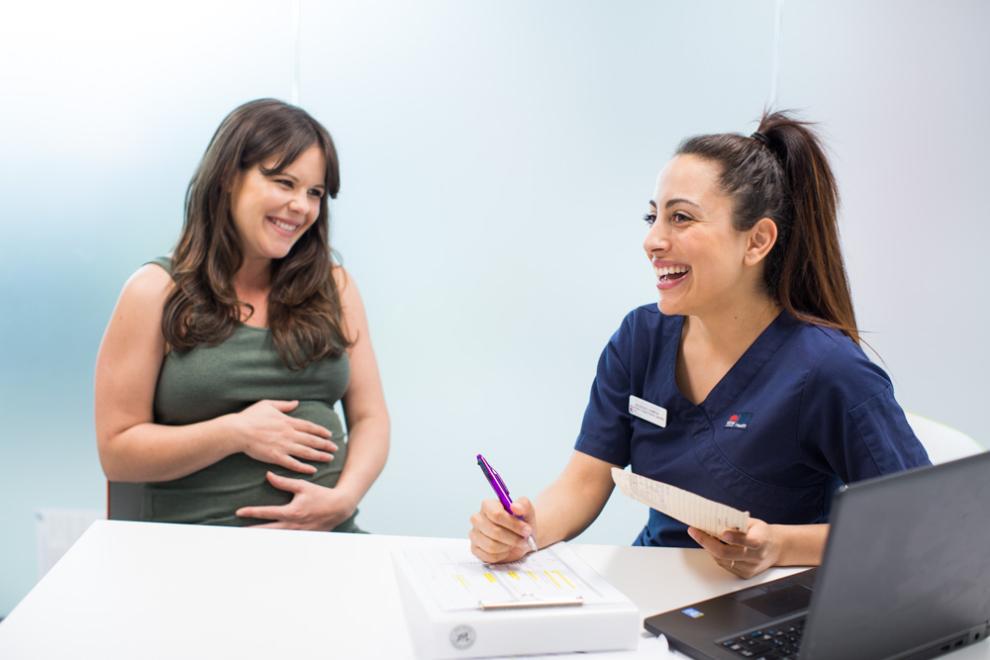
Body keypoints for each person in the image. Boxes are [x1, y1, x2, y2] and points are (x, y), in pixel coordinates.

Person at [468, 111, 930, 577]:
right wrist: (525, 530)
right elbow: (584, 481)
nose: (652, 240)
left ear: (757, 241)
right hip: (652, 586)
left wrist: (779, 544)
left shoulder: (829, 370)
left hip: (765, 605)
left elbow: (918, 524)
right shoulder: (640, 339)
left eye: (680, 218)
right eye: (653, 216)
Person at [95, 99, 389, 530]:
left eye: (315, 193)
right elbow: (116, 452)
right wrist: (236, 433)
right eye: (284, 183)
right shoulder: (155, 291)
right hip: (197, 555)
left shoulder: (334, 285)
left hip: (332, 542)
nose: (302, 207)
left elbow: (370, 418)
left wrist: (342, 501)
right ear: (229, 178)